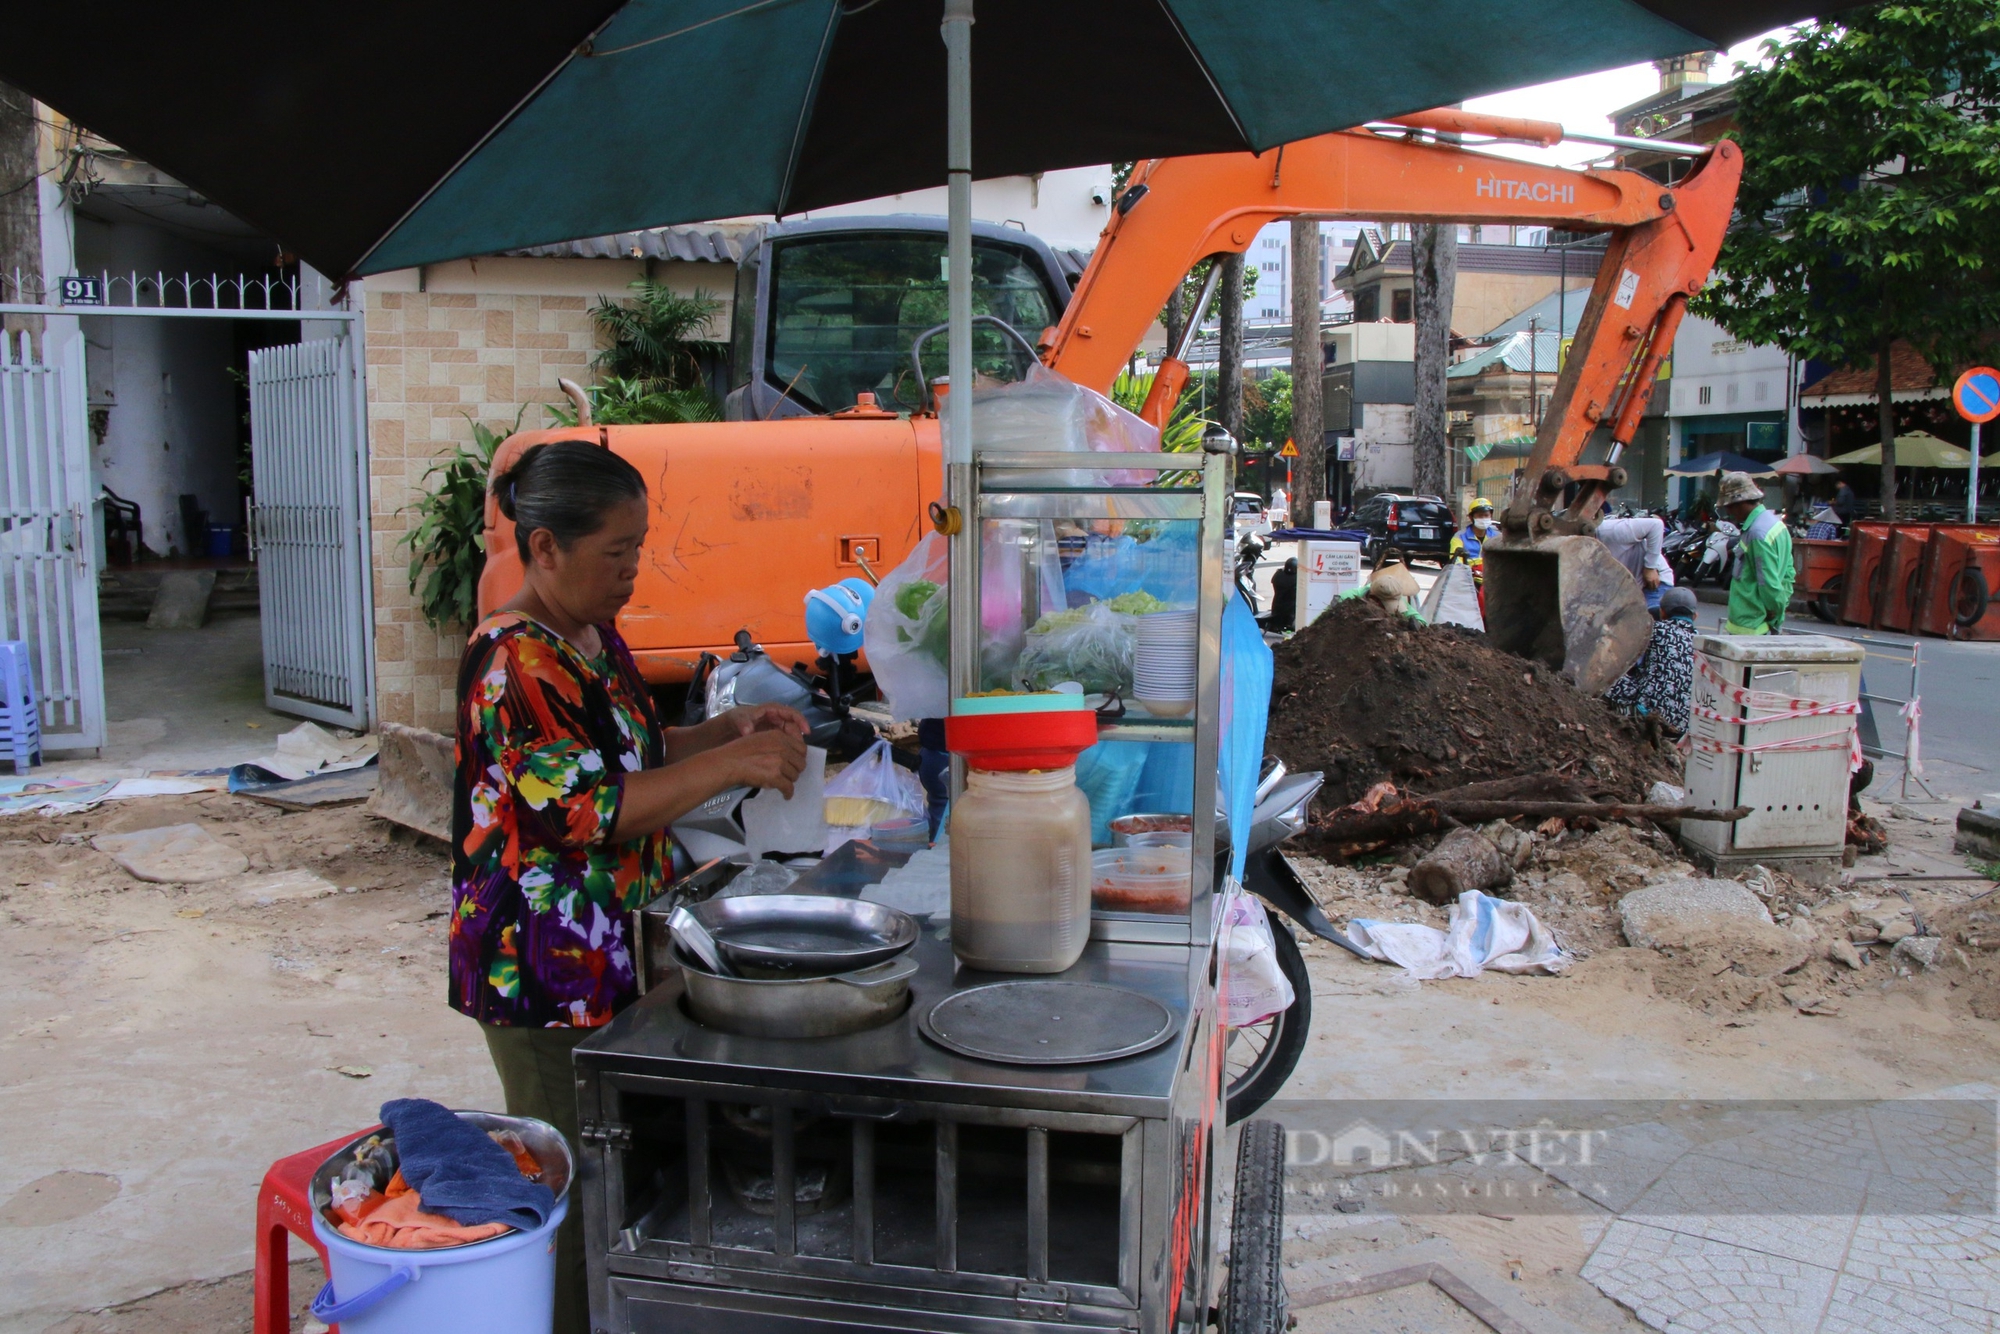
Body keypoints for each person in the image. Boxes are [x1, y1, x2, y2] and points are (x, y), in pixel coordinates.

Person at [451, 441, 809, 1334]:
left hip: (617, 952)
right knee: (571, 1188)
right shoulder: (513, 663)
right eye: (616, 552)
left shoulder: (589, 635)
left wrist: (725, 727)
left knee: (626, 1173)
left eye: (638, 548)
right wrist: (735, 761)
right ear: (543, 549)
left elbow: (633, 752)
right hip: (542, 972)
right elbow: (588, 809)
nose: (632, 571)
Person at [1606, 585, 1698, 738]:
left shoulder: (1656, 630)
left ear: (1662, 612)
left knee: (1610, 680)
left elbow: (1622, 653)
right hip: (1685, 723)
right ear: (1695, 616)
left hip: (1648, 712)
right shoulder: (1701, 641)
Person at [1717, 470, 1794, 635]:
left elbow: (1768, 583)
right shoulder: (1777, 525)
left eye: (1729, 507)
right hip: (1758, 623)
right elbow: (1788, 573)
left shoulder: (1757, 534)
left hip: (1750, 626)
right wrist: (1780, 608)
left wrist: (1774, 611)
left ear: (1741, 502)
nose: (1729, 512)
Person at [1594, 513, 1673, 611]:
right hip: (1627, 589)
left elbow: (1656, 525)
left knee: (1651, 618)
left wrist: (1650, 567)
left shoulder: (1609, 530)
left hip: (1653, 583)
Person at [1447, 498, 1494, 585]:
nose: (1483, 518)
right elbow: (1456, 561)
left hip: (1492, 580)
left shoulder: (1498, 537)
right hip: (1468, 580)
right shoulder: (1459, 537)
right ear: (1471, 517)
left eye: (1486, 515)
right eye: (1480, 516)